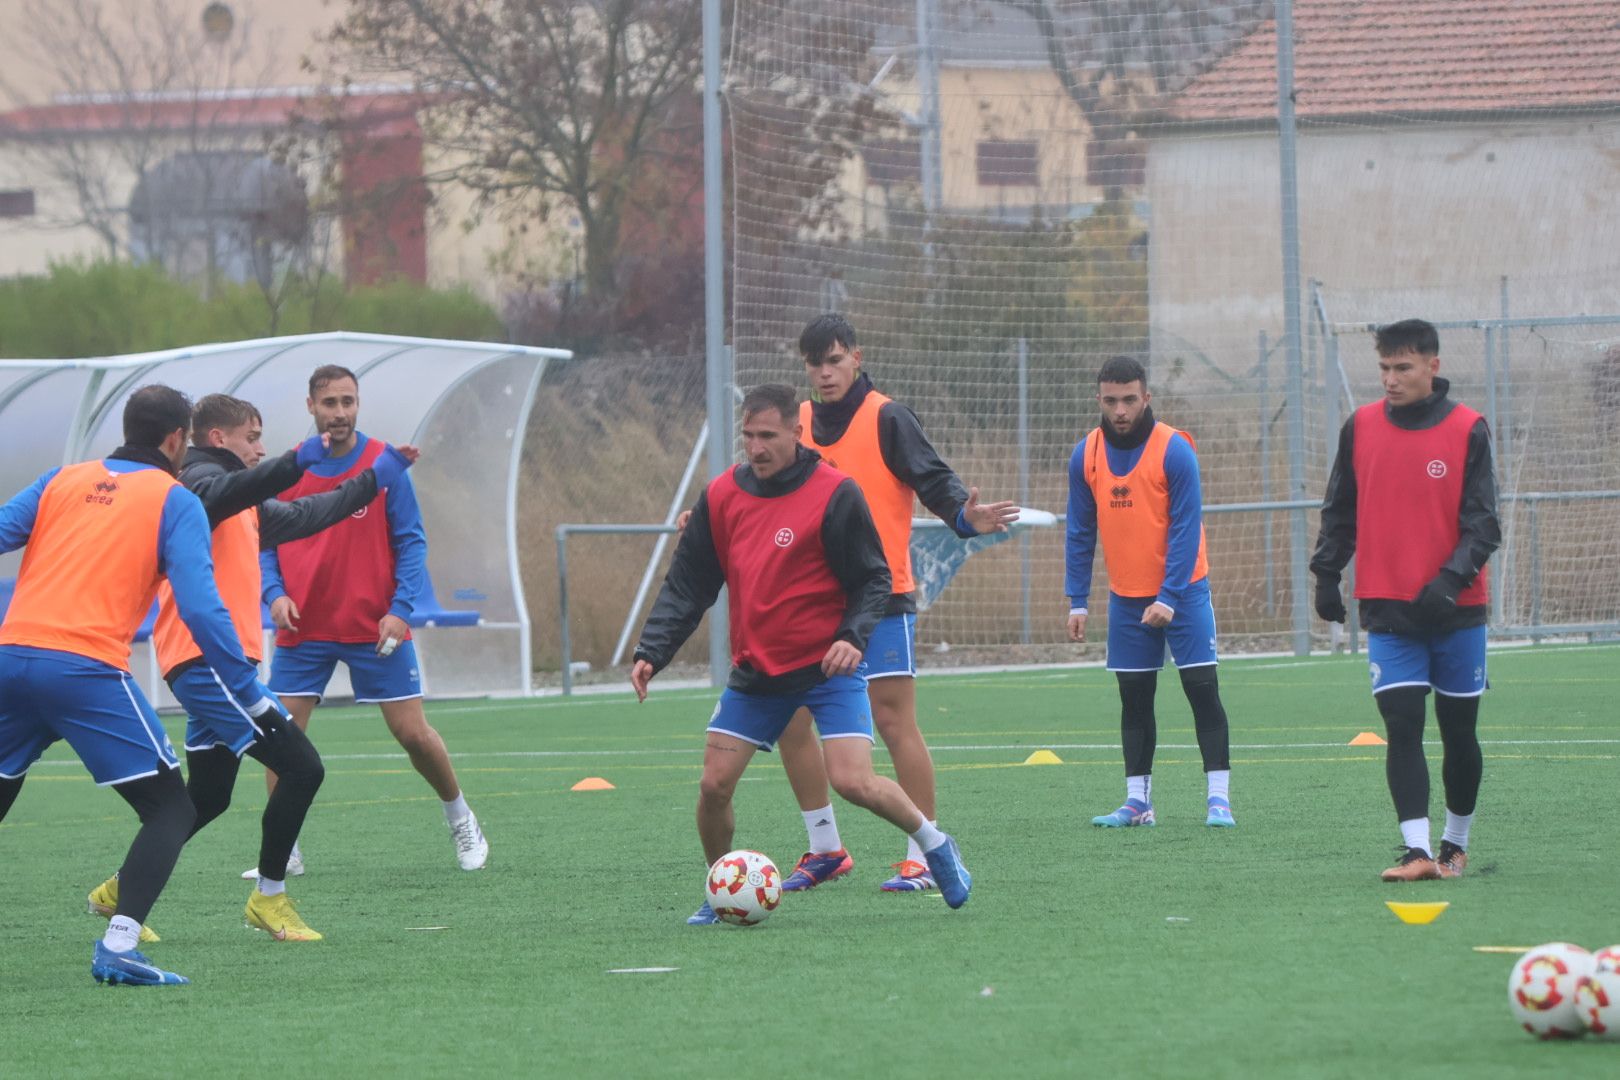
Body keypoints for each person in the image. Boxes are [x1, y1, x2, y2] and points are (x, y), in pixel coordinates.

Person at [630, 384, 973, 924]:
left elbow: (873, 578)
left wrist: (851, 637)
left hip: (827, 668)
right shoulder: (722, 496)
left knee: (853, 781)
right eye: (748, 436)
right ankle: (722, 888)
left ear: (796, 432)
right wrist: (653, 648)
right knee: (713, 787)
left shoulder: (836, 493)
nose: (756, 447)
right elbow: (689, 583)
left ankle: (936, 844)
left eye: (767, 436)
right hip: (758, 672)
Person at [84, 394, 417, 943]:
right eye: (253, 436)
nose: (261, 447)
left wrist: (373, 478)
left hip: (216, 667)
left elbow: (311, 514)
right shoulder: (193, 483)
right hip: (208, 665)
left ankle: (119, 891)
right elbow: (224, 490)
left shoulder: (243, 500)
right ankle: (269, 896)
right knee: (304, 769)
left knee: (209, 796)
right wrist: (297, 460)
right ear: (217, 439)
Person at [0, 385, 287, 986]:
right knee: (172, 808)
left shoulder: (61, 478)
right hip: (84, 670)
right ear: (177, 439)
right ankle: (120, 946)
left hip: (11, 658)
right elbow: (202, 609)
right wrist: (241, 680)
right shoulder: (174, 498)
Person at [773, 313, 1017, 895]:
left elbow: (933, 481)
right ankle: (825, 847)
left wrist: (964, 515)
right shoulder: (798, 422)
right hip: (809, 604)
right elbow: (764, 488)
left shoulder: (887, 417)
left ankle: (922, 854)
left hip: (880, 598)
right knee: (790, 719)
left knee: (892, 721)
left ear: (856, 357)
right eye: (815, 363)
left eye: (834, 360)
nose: (825, 372)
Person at [258, 365, 488, 872]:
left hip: (374, 627)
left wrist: (400, 610)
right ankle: (283, 846)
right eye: (330, 403)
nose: (340, 412)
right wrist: (273, 594)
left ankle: (461, 817)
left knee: (412, 734)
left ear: (357, 404)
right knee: (282, 738)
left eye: (348, 402)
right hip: (303, 630)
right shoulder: (291, 468)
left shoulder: (384, 466)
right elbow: (265, 540)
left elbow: (410, 542)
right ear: (310, 406)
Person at [1311, 318, 1499, 882]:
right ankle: (1417, 852)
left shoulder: (1469, 428)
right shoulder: (1361, 426)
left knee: (1458, 731)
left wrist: (1449, 579)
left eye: (1403, 368)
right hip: (1388, 610)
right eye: (1384, 369)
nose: (1391, 380)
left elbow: (1484, 523)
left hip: (1455, 610)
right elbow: (1339, 508)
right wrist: (1326, 572)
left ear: (1432, 366)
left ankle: (1454, 845)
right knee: (1402, 723)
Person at [1065, 355, 1235, 828]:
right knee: (1134, 698)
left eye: (1130, 399)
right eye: (1111, 400)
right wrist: (1077, 600)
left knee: (1202, 691)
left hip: (1184, 593)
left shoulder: (1174, 449)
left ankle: (1218, 799)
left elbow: (1185, 528)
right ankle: (1138, 803)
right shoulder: (1086, 455)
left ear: (1147, 397)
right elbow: (1080, 531)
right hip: (1126, 599)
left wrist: (1170, 596)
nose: (1120, 410)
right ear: (1098, 399)